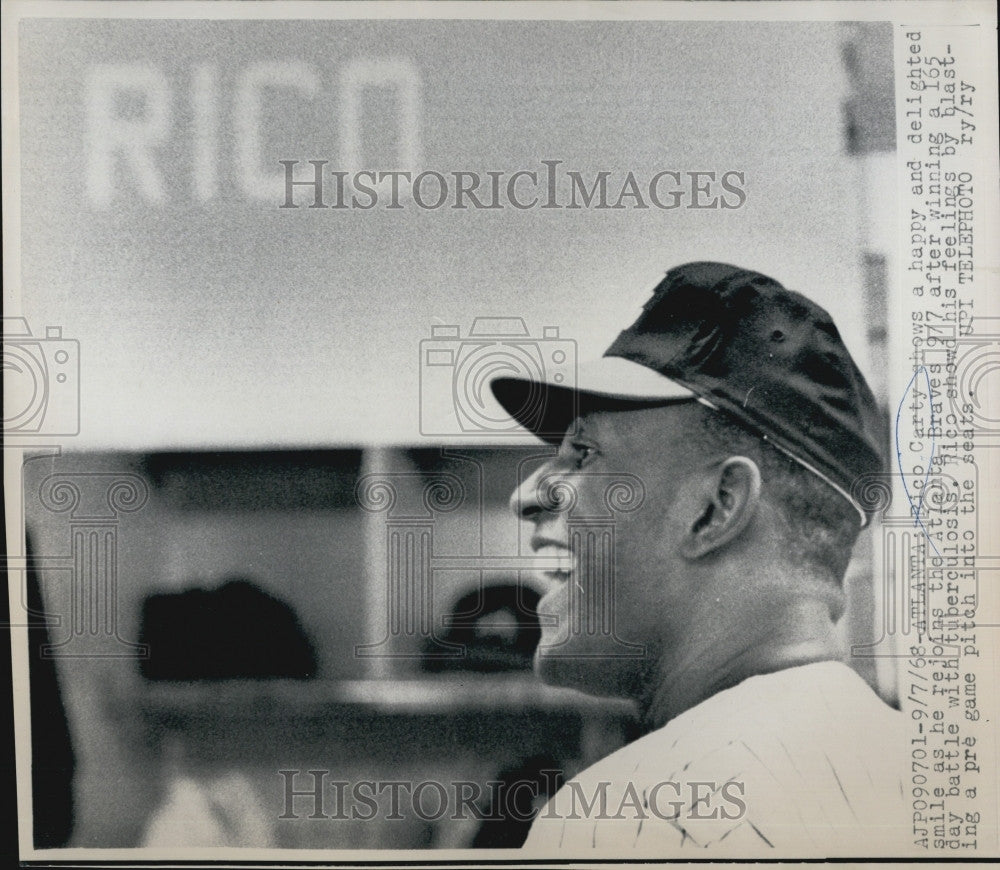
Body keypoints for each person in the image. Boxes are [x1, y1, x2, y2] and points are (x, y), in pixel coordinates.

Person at [489, 261, 908, 855]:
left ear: (717, 507)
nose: (528, 494)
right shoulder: (945, 790)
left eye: (583, 453)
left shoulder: (620, 821)